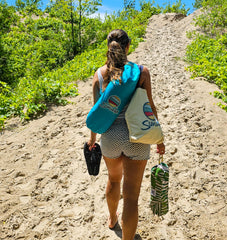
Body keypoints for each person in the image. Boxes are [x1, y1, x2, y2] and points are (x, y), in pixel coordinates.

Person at [87, 29, 165, 240]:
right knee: (131, 196)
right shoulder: (141, 71)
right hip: (137, 138)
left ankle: (112, 220)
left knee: (113, 180)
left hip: (111, 138)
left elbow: (97, 111)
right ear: (128, 46)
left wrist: (93, 140)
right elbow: (150, 106)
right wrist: (159, 139)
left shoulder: (100, 74)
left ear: (108, 46)